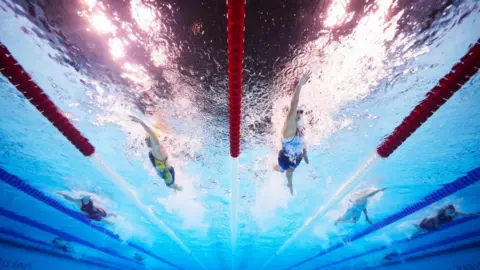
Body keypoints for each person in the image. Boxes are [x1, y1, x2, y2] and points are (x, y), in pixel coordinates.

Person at [273, 71, 312, 195]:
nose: (301, 114)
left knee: (292, 169)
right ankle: (288, 183)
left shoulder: (301, 125)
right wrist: (299, 85)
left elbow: (303, 142)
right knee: (284, 171)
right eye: (299, 113)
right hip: (285, 157)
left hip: (297, 153)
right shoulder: (289, 129)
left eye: (301, 113)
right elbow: (294, 104)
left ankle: (289, 182)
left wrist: (305, 153)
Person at [129, 115, 182, 191]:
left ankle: (181, 189)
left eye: (147, 139)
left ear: (151, 140)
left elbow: (150, 132)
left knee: (171, 186)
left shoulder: (156, 147)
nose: (145, 140)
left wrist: (140, 121)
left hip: (167, 173)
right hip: (163, 169)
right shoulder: (154, 148)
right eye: (145, 139)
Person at [416, 205, 480, 232]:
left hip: (438, 223)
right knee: (425, 227)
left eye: (452, 211)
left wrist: (477, 214)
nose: (450, 212)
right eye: (449, 211)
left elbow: (467, 215)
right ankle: (420, 227)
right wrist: (423, 224)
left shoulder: (455, 213)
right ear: (446, 210)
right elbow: (432, 218)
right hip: (430, 222)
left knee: (435, 227)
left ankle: (422, 228)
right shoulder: (440, 212)